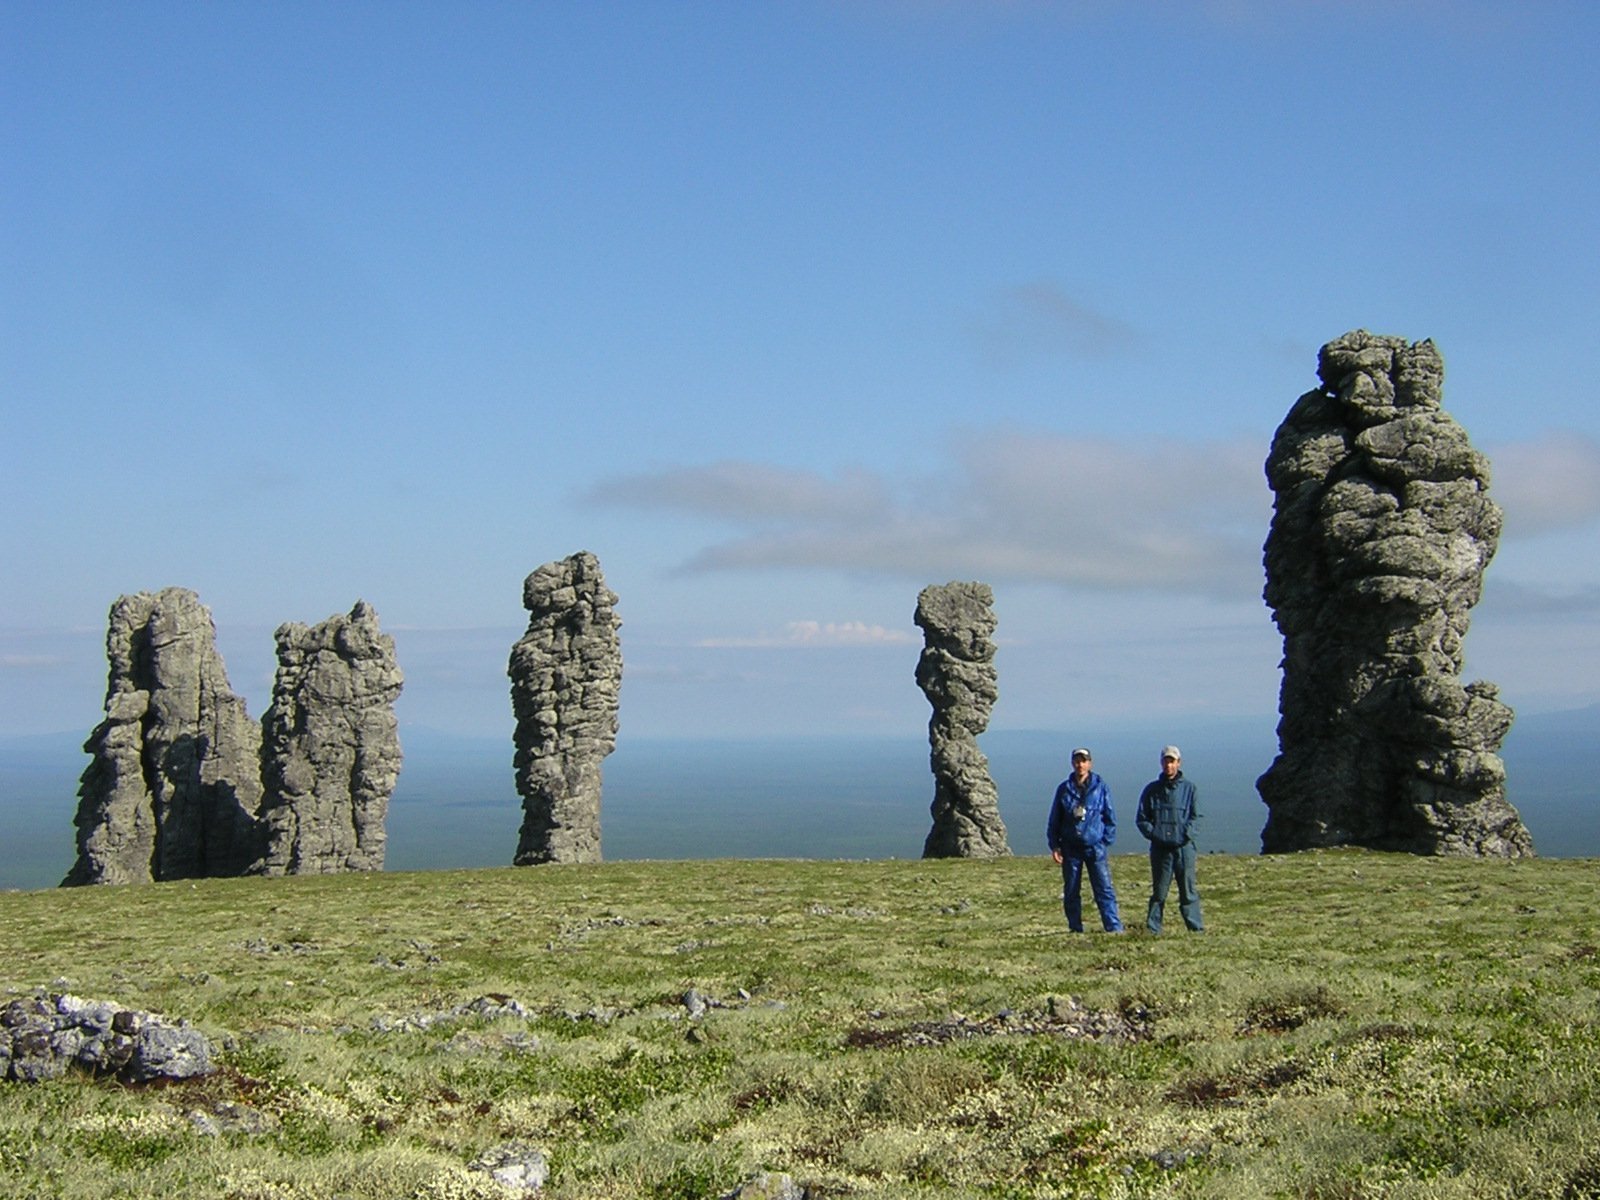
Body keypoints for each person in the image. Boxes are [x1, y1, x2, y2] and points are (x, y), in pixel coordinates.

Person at [1046, 747, 1123, 933]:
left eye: (1084, 760)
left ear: (1090, 763)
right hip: (1071, 848)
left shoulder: (1100, 787)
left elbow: (1109, 816)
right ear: (1072, 763)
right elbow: (1055, 818)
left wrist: (1104, 842)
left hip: (1095, 847)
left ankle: (1113, 928)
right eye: (1077, 761)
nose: (1080, 764)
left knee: (1104, 889)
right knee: (1071, 890)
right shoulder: (1064, 789)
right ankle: (1075, 928)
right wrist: (1055, 845)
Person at [1135, 745, 1204, 933]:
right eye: (1166, 760)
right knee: (1159, 892)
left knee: (1188, 891)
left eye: (1172, 761)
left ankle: (1195, 928)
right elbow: (1142, 819)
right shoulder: (1151, 790)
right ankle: (1153, 929)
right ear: (1161, 762)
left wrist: (1185, 836)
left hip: (1184, 849)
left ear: (1178, 763)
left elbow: (1196, 817)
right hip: (1160, 850)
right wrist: (1156, 835)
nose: (1169, 765)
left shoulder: (1190, 789)